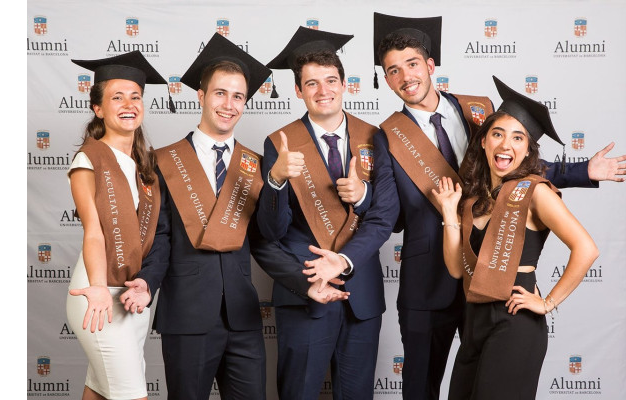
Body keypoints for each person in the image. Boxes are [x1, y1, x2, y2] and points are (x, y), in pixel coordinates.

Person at [369, 12, 626, 400]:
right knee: (423, 389)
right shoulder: (386, 137)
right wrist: (358, 199)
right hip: (430, 283)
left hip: (493, 281)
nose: (406, 76)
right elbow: (390, 216)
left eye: (412, 64)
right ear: (386, 79)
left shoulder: (479, 109)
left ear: (430, 65)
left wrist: (582, 169)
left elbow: (515, 165)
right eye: (393, 70)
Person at [118, 33, 280, 400]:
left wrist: (305, 281)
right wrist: (146, 281)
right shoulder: (163, 162)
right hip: (187, 316)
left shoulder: (256, 165)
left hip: (242, 317)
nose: (229, 104)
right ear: (201, 96)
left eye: (238, 96)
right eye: (220, 93)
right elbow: (159, 237)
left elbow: (266, 240)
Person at [432, 75, 599, 399]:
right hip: (474, 320)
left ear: (526, 150)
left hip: (515, 319)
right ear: (483, 141)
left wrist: (548, 302)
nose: (505, 144)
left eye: (517, 138)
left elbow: (586, 248)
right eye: (497, 134)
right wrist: (450, 213)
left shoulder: (536, 193)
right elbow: (455, 269)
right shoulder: (471, 200)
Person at [257, 26, 398, 400]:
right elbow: (270, 232)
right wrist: (276, 180)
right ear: (298, 90)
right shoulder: (280, 144)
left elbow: (385, 216)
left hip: (361, 295)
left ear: (345, 84)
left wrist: (363, 195)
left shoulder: (375, 137)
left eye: (331, 80)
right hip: (308, 289)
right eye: (312, 83)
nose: (323, 91)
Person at [65, 50, 167, 400]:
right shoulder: (88, 158)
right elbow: (93, 232)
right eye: (117, 97)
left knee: (99, 388)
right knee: (130, 394)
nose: (128, 104)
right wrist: (96, 287)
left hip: (132, 296)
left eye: (135, 96)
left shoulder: (145, 167)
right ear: (98, 108)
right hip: (99, 293)